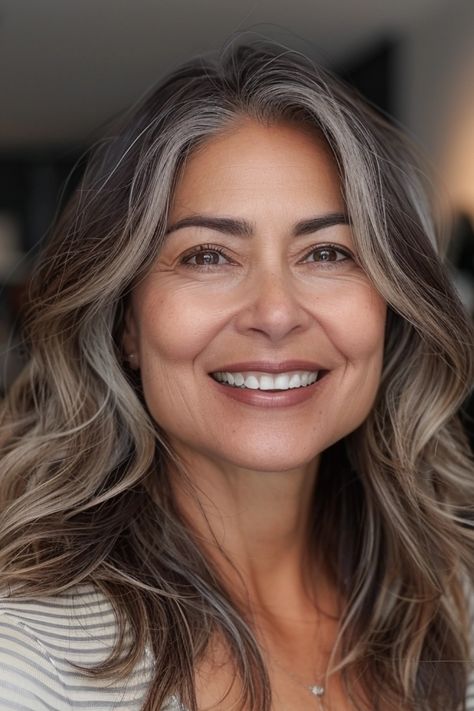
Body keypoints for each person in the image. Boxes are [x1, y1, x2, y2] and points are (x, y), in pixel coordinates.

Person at [0, 37, 473, 711]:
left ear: (393, 305)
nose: (276, 312)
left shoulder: (453, 614)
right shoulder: (26, 667)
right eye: (208, 257)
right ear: (127, 322)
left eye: (329, 252)